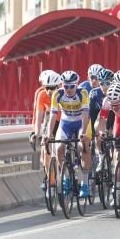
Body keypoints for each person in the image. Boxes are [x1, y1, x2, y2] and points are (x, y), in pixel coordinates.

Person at [46, 70, 92, 198]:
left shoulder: (82, 93)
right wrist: (49, 134)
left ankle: (85, 183)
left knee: (82, 147)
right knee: (60, 147)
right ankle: (66, 178)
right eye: (66, 86)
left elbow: (85, 114)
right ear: (62, 85)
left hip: (80, 123)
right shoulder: (57, 94)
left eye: (72, 86)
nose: (69, 89)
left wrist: (83, 133)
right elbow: (53, 115)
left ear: (76, 85)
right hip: (65, 123)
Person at [34, 70, 60, 188]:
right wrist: (36, 133)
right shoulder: (41, 94)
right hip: (50, 117)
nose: (49, 91)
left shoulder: (63, 93)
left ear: (58, 86)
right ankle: (49, 178)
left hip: (63, 117)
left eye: (52, 88)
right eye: (47, 88)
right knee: (45, 149)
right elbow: (39, 116)